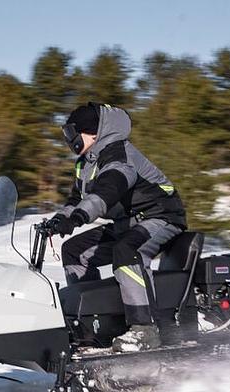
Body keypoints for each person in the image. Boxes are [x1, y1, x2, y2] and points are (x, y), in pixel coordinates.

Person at [49, 102, 187, 352]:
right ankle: (92, 326)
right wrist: (60, 219)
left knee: (126, 251)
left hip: (161, 216)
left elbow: (108, 191)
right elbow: (76, 200)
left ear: (92, 133)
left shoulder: (118, 155)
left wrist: (79, 216)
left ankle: (144, 330)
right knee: (74, 251)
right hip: (128, 222)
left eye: (71, 133)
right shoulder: (85, 163)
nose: (69, 140)